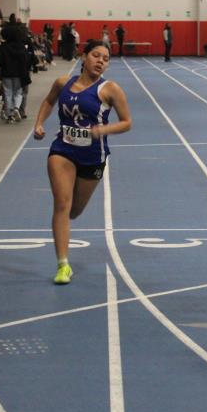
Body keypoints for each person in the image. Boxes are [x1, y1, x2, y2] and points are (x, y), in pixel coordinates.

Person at [33, 40, 132, 285]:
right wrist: (39, 124)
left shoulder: (110, 89)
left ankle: (65, 234)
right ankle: (63, 265)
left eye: (105, 59)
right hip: (62, 149)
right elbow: (49, 101)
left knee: (74, 211)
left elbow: (126, 122)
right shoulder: (63, 83)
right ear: (83, 56)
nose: (101, 61)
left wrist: (103, 130)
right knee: (61, 204)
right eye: (96, 55)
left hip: (93, 156)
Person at [0, 24, 30, 123]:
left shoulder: (2, 47)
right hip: (19, 74)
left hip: (6, 73)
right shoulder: (21, 47)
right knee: (18, 92)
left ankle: (9, 115)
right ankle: (16, 108)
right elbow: (26, 61)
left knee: (8, 93)